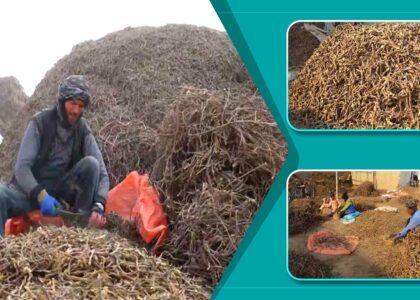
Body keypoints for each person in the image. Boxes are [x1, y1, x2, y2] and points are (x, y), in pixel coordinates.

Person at [0, 75, 109, 236]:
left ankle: (81, 229)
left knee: (91, 164)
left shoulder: (82, 129)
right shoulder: (40, 122)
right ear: (62, 101)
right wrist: (41, 196)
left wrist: (99, 205)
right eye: (73, 103)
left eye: (80, 106)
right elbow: (22, 168)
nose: (76, 110)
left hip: (59, 195)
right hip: (30, 192)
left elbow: (102, 173)